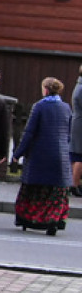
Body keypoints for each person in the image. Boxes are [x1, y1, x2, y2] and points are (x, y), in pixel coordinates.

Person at [11, 77, 72, 235]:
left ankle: (29, 219)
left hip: (39, 158)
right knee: (55, 191)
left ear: (45, 90)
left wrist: (17, 154)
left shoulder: (39, 107)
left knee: (35, 190)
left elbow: (29, 133)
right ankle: (54, 220)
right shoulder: (66, 108)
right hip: (60, 158)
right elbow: (69, 134)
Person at [68, 65, 82, 197]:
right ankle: (74, 184)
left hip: (78, 122)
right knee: (79, 155)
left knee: (76, 154)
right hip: (80, 123)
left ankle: (73, 183)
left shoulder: (79, 85)